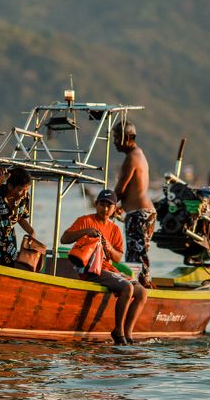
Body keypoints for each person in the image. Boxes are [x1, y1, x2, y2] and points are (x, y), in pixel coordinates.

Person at [61, 188, 147, 345]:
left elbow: (118, 257)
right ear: (96, 204)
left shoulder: (115, 229)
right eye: (102, 204)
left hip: (108, 270)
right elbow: (64, 239)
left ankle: (128, 333)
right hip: (89, 269)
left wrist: (109, 248)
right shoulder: (85, 220)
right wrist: (85, 231)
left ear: (114, 208)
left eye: (109, 206)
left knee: (142, 292)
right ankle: (118, 331)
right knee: (127, 287)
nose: (105, 209)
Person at [111, 120, 156, 288]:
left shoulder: (131, 158)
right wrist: (120, 207)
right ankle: (142, 287)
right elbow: (134, 189)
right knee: (138, 257)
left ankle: (140, 291)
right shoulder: (138, 154)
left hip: (140, 215)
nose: (114, 142)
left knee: (135, 260)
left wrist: (107, 205)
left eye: (117, 137)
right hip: (143, 213)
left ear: (129, 138)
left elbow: (120, 189)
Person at [0, 165, 36, 266]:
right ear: (10, 186)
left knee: (9, 268)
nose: (24, 194)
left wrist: (31, 232)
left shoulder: (25, 198)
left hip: (10, 245)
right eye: (21, 190)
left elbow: (20, 218)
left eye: (26, 190)